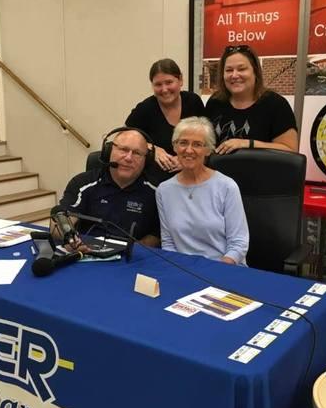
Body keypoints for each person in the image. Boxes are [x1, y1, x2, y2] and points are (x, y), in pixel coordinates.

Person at [156, 117, 249, 264]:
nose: (189, 150)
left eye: (197, 144)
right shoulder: (164, 190)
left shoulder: (226, 186)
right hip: (184, 270)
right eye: (183, 143)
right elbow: (168, 243)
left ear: (208, 150)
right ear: (174, 147)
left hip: (224, 268)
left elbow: (239, 243)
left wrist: (216, 271)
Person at [52, 128, 160, 248]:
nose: (129, 158)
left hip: (132, 257)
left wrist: (134, 250)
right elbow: (60, 222)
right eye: (123, 150)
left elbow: (157, 234)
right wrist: (70, 238)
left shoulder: (156, 192)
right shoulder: (83, 183)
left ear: (147, 160)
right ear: (108, 151)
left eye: (137, 153)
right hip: (87, 251)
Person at [206, 45, 298, 154]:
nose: (234, 75)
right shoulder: (215, 102)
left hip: (261, 170)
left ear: (255, 72)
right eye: (229, 70)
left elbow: (291, 150)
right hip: (218, 170)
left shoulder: (276, 104)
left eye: (242, 69)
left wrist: (248, 144)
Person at [126, 58, 204, 182]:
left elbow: (207, 140)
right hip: (155, 180)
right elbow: (125, 139)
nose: (164, 89)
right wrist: (151, 147)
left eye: (169, 82)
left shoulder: (193, 102)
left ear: (180, 80)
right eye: (158, 84)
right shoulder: (145, 109)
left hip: (193, 175)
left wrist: (187, 157)